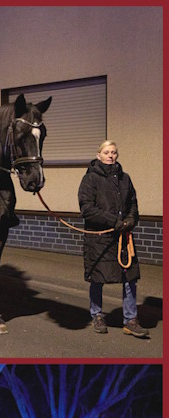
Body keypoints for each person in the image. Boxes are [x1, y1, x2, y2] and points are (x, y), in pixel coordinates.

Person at [78, 140, 148, 338]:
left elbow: (133, 203)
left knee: (130, 278)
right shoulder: (90, 180)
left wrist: (130, 220)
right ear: (99, 155)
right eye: (107, 152)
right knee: (97, 279)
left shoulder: (125, 179)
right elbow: (87, 209)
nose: (111, 155)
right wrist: (114, 221)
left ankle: (131, 320)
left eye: (114, 152)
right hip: (100, 238)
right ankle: (97, 314)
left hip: (123, 238)